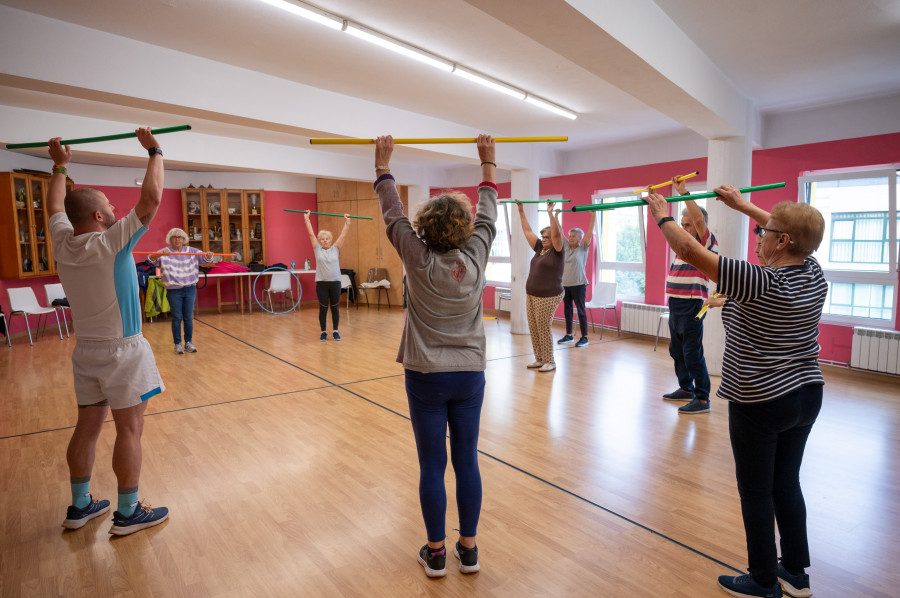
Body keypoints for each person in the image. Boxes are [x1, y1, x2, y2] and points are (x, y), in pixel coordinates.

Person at [645, 186, 827, 598]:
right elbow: (787, 231)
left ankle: (764, 579)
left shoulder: (758, 280)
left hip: (762, 401)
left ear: (782, 241)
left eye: (766, 231)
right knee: (786, 483)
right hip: (806, 394)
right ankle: (795, 573)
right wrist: (743, 206)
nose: (758, 235)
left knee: (757, 490)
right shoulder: (814, 273)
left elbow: (692, 252)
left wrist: (661, 214)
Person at [374, 134, 497, 578]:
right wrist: (487, 163)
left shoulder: (417, 257)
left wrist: (383, 167)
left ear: (425, 227)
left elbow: (393, 215)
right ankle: (470, 551)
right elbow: (488, 211)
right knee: (467, 458)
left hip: (426, 375)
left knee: (432, 464)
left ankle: (437, 554)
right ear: (465, 228)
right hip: (469, 375)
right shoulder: (479, 253)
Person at [47, 128, 169, 536]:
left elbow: (55, 207)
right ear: (98, 216)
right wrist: (154, 151)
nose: (115, 207)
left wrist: (60, 166)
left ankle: (80, 506)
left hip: (87, 354)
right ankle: (129, 512)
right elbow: (150, 200)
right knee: (129, 430)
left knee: (87, 428)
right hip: (123, 352)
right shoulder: (111, 242)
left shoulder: (63, 243)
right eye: (108, 204)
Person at [661, 176, 718, 414]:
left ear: (699, 225)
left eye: (688, 225)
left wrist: (684, 193)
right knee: (676, 350)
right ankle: (686, 388)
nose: (684, 228)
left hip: (694, 305)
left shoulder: (704, 243)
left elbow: (697, 217)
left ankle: (702, 398)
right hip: (675, 304)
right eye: (681, 225)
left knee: (692, 353)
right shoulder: (682, 246)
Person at [516, 201, 565, 372]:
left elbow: (558, 236)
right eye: (543, 236)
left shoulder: (557, 251)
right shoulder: (539, 248)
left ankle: (549, 361)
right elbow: (527, 231)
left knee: (543, 326)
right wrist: (521, 211)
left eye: (547, 237)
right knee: (533, 326)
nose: (543, 239)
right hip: (532, 293)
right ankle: (539, 359)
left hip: (549, 295)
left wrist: (550, 213)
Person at [148, 228, 213, 353]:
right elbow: (150, 259)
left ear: (184, 239)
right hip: (173, 290)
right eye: (174, 237)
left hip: (190, 288)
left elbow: (205, 260)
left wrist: (209, 256)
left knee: (188, 317)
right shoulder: (164, 252)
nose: (177, 239)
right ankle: (177, 343)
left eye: (180, 237)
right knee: (177, 317)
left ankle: (188, 342)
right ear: (170, 240)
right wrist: (161, 255)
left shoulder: (192, 251)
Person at [303, 210, 352, 341]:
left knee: (335, 308)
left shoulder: (335, 248)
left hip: (335, 282)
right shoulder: (317, 249)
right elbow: (311, 234)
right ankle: (323, 332)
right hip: (322, 284)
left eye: (327, 239)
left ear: (330, 240)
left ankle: (335, 331)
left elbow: (342, 236)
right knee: (323, 309)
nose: (325, 241)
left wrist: (347, 222)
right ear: (320, 241)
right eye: (323, 239)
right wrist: (307, 219)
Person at [557, 211, 596, 347]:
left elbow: (590, 233)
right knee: (567, 311)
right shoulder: (567, 247)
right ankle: (569, 335)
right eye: (570, 236)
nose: (571, 238)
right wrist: (555, 216)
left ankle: (584, 337)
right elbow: (560, 231)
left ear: (580, 238)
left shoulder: (583, 248)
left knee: (580, 311)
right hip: (565, 285)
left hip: (579, 285)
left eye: (574, 236)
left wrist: (593, 216)